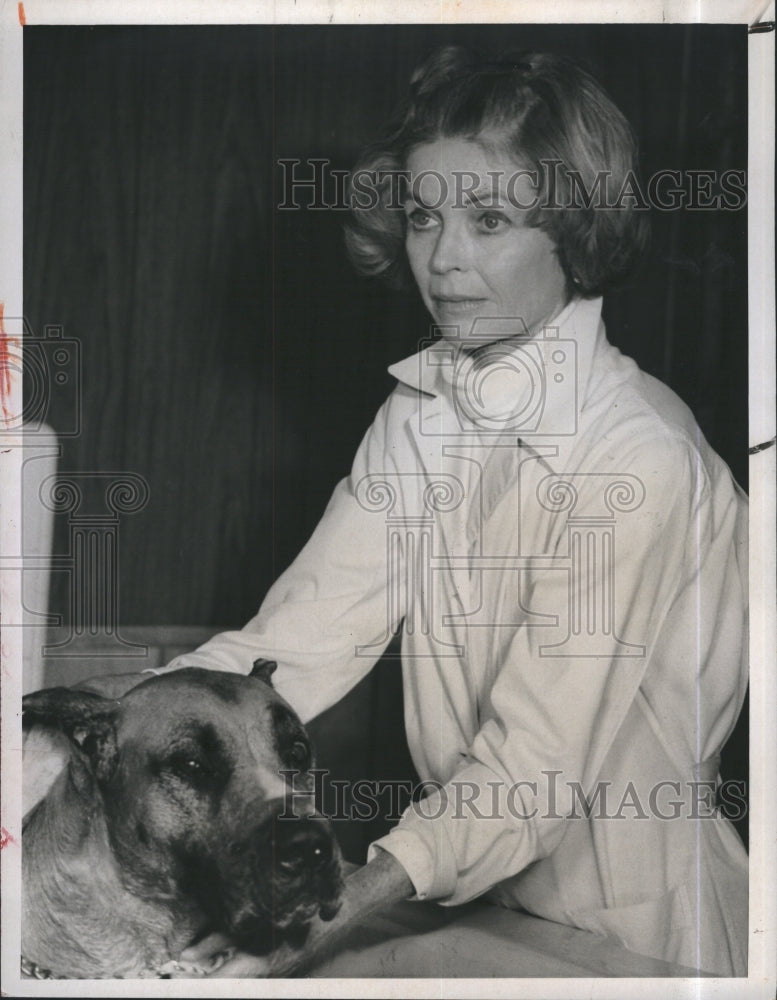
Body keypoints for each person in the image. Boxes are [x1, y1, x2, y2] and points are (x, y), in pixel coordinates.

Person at [32, 47, 750, 977]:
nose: (442, 259)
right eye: (423, 216)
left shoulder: (638, 455)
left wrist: (336, 899)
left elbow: (527, 778)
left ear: (573, 230)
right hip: (471, 900)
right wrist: (44, 757)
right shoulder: (422, 410)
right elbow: (298, 642)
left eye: (488, 219)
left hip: (640, 933)